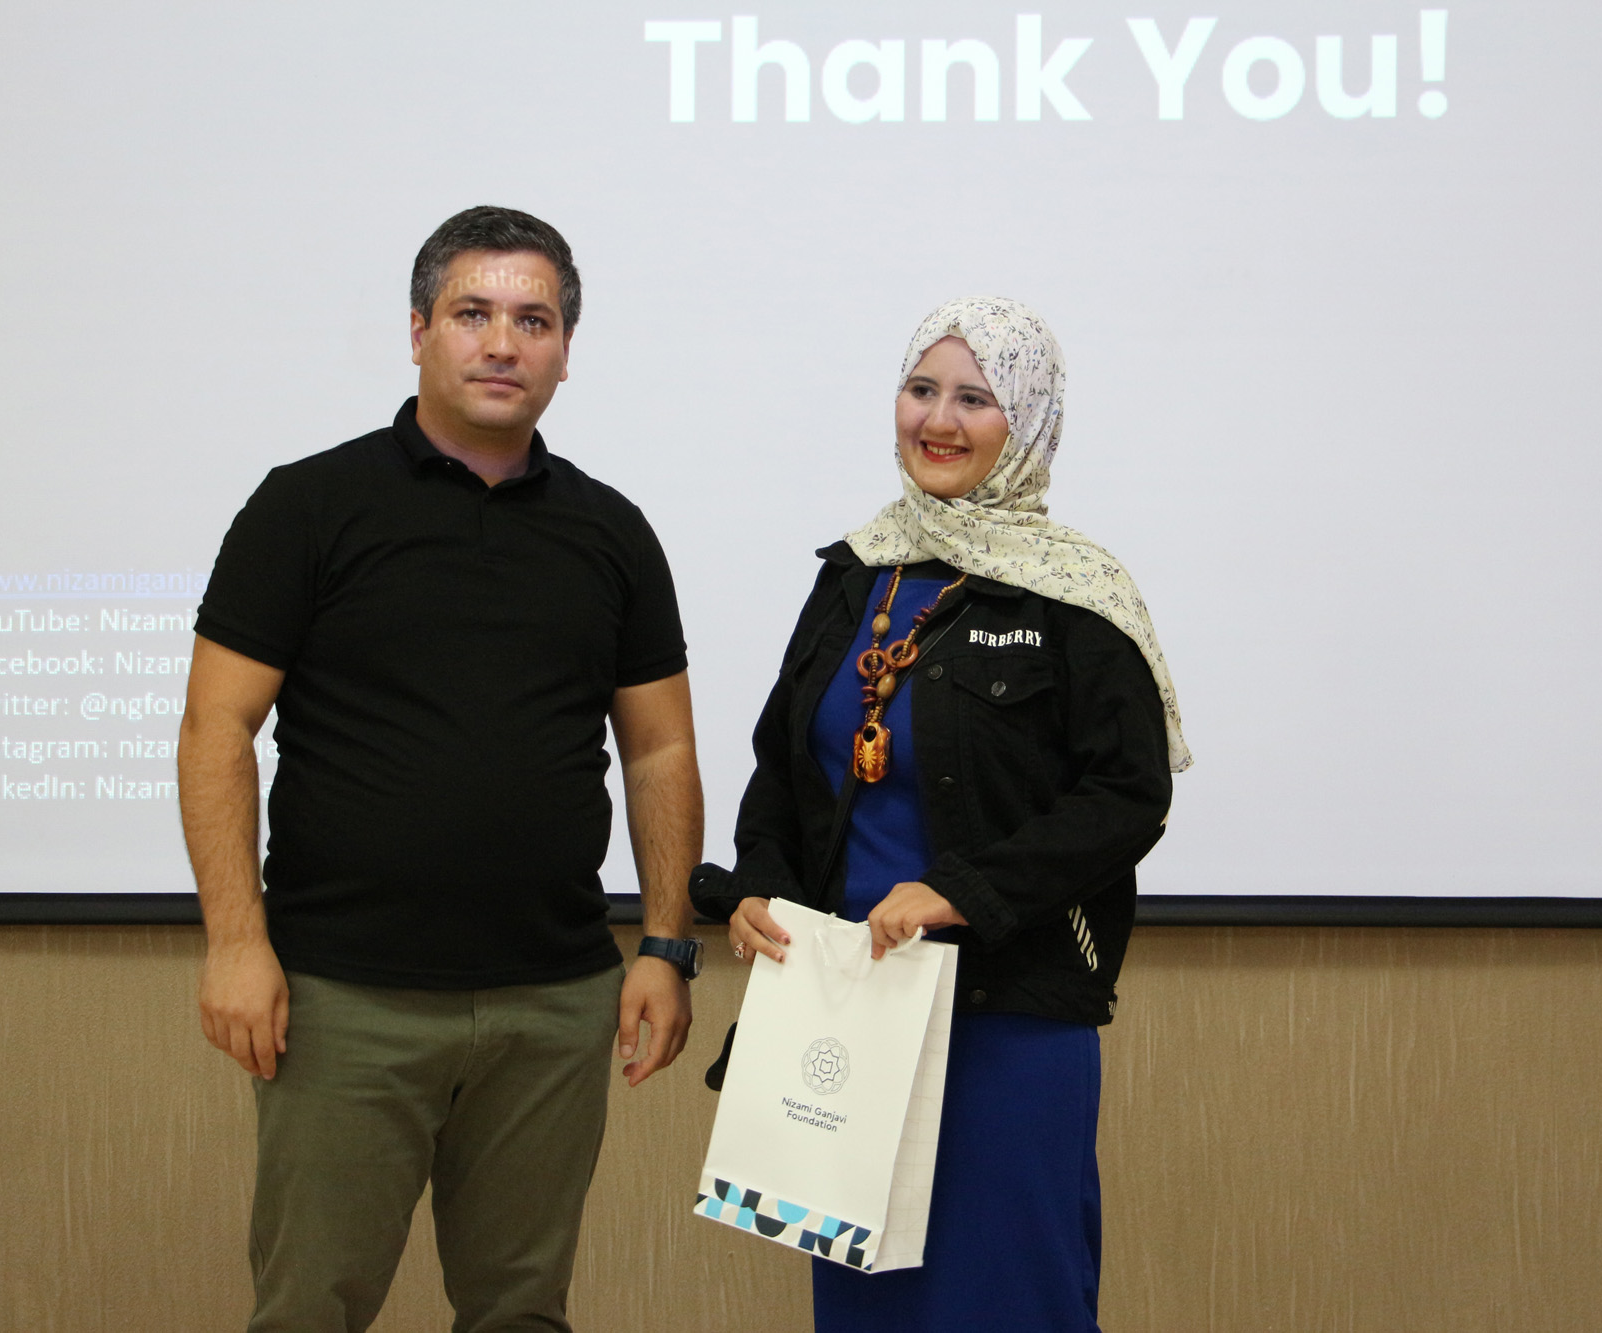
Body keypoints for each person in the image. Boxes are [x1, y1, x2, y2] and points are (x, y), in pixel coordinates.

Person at [178, 205, 706, 1333]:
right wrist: (233, 940)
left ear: (566, 350)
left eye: (533, 320)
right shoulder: (306, 506)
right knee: (309, 1310)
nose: (503, 344)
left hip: (552, 1002)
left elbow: (659, 748)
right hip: (342, 998)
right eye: (473, 314)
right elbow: (216, 729)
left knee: (521, 1312)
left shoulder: (612, 532)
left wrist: (666, 946)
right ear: (418, 331)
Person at [690, 297, 1190, 1332]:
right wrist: (762, 885)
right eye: (921, 390)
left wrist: (960, 891)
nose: (938, 420)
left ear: (1029, 421)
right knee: (864, 1306)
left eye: (974, 398)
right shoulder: (853, 573)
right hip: (845, 1012)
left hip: (1006, 1018)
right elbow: (784, 764)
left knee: (1011, 1299)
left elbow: (1127, 795)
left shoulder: (1077, 593)